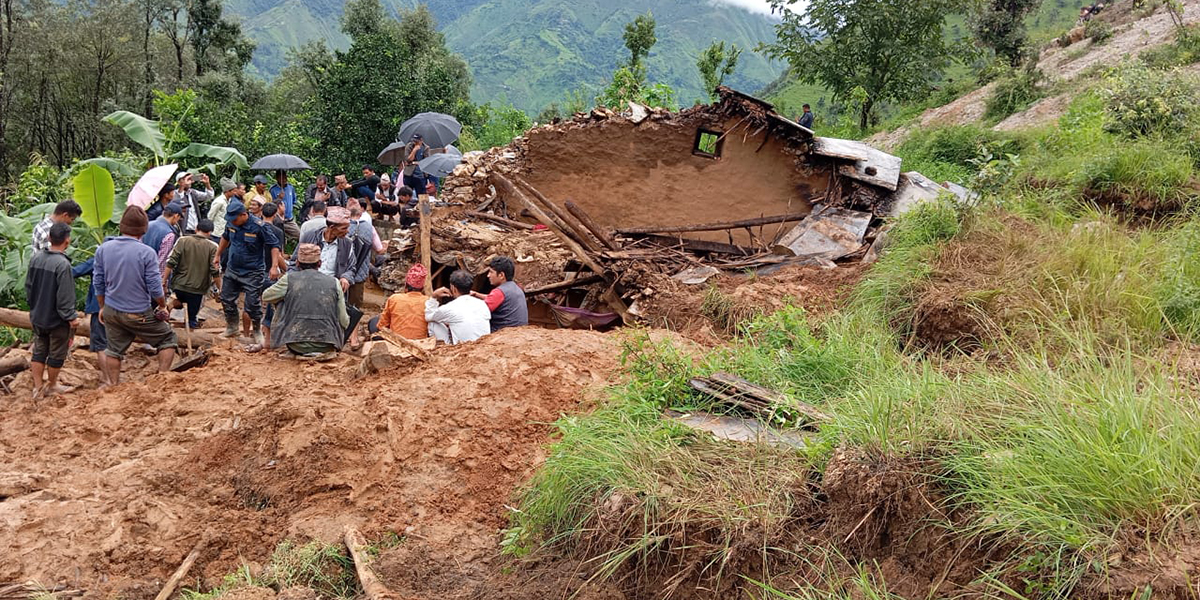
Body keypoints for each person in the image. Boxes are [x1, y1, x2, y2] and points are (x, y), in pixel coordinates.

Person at [94, 206, 178, 384]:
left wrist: (102, 307)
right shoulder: (146, 252)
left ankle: (114, 386)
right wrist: (162, 305)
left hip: (112, 309)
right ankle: (162, 380)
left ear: (122, 226)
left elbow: (98, 283)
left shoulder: (104, 249)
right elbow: (155, 287)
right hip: (138, 312)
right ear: (143, 229)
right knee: (167, 338)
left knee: (114, 350)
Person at [262, 243, 349, 359]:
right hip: (327, 344)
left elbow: (266, 296)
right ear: (319, 263)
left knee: (280, 298)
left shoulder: (289, 279)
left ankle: (280, 338)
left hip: (296, 344)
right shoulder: (334, 282)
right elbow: (344, 321)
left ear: (297, 263)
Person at [215, 201, 282, 344]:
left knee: (252, 304)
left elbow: (274, 245)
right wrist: (217, 255)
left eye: (235, 218)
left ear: (244, 215)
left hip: (253, 271)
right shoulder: (231, 223)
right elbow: (225, 237)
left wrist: (274, 266)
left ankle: (257, 330)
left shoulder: (259, 226)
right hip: (233, 269)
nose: (232, 221)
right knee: (226, 298)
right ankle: (232, 327)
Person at [25, 222, 79, 398]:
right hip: (56, 320)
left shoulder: (36, 258)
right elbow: (65, 296)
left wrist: (34, 307)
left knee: (39, 350)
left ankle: (38, 386)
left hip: (38, 316)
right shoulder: (63, 265)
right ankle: (52, 385)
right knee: (57, 353)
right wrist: (71, 317)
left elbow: (29, 287)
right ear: (67, 241)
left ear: (49, 238)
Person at [71, 237, 118, 387]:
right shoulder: (122, 261)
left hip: (100, 308)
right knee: (114, 344)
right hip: (120, 308)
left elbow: (75, 272)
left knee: (101, 345)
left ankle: (107, 379)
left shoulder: (97, 260)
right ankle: (115, 379)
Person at [164, 219, 220, 330]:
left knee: (182, 300)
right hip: (198, 288)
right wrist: (219, 288)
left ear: (196, 229)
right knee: (192, 316)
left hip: (179, 284)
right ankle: (190, 331)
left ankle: (172, 304)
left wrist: (164, 280)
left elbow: (170, 262)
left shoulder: (182, 241)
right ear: (210, 232)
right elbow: (215, 271)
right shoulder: (213, 247)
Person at [425, 269, 490, 345]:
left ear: (453, 288)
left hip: (462, 350)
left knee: (433, 322)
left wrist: (434, 297)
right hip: (483, 347)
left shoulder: (450, 307)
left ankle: (443, 350)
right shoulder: (482, 304)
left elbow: (428, 316)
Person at [369, 264, 428, 339]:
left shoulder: (395, 298)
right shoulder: (428, 301)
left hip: (397, 341)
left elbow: (381, 325)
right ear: (422, 288)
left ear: (406, 286)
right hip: (420, 342)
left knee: (373, 322)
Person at [472, 256, 528, 333]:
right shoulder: (516, 288)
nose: (488, 275)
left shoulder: (499, 292)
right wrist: (476, 294)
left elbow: (479, 313)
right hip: (519, 332)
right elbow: (495, 299)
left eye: (491, 272)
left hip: (502, 334)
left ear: (501, 275)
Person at [259, 202, 289, 344]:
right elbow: (280, 254)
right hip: (271, 271)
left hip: (254, 270)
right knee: (272, 302)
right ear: (275, 213)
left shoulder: (255, 228)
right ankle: (268, 338)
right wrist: (286, 270)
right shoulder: (277, 232)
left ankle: (250, 333)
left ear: (261, 212)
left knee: (252, 302)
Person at [143, 201, 183, 274]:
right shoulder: (169, 234)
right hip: (153, 272)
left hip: (141, 267)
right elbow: (162, 260)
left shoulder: (148, 225)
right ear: (176, 216)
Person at [208, 177, 239, 242]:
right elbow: (210, 216)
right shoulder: (219, 201)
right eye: (233, 191)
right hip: (217, 233)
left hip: (226, 232)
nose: (235, 193)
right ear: (228, 191)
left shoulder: (231, 200)